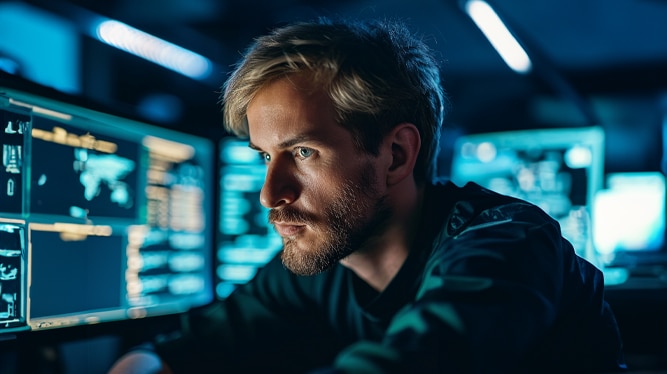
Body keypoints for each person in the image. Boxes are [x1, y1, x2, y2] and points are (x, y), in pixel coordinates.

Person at [109, 17, 626, 373]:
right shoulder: (322, 265)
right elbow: (177, 352)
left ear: (396, 155)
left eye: (304, 152)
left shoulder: (508, 245)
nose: (270, 194)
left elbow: (421, 360)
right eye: (266, 156)